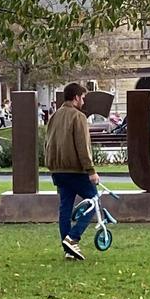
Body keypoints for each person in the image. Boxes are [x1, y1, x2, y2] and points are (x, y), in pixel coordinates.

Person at [43, 82, 99, 261]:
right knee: (94, 200)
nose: (83, 101)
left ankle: (68, 249)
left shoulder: (54, 116)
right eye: (82, 97)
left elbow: (48, 142)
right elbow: (83, 146)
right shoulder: (78, 116)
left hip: (58, 170)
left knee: (65, 208)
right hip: (75, 170)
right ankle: (73, 237)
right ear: (76, 97)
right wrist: (91, 170)